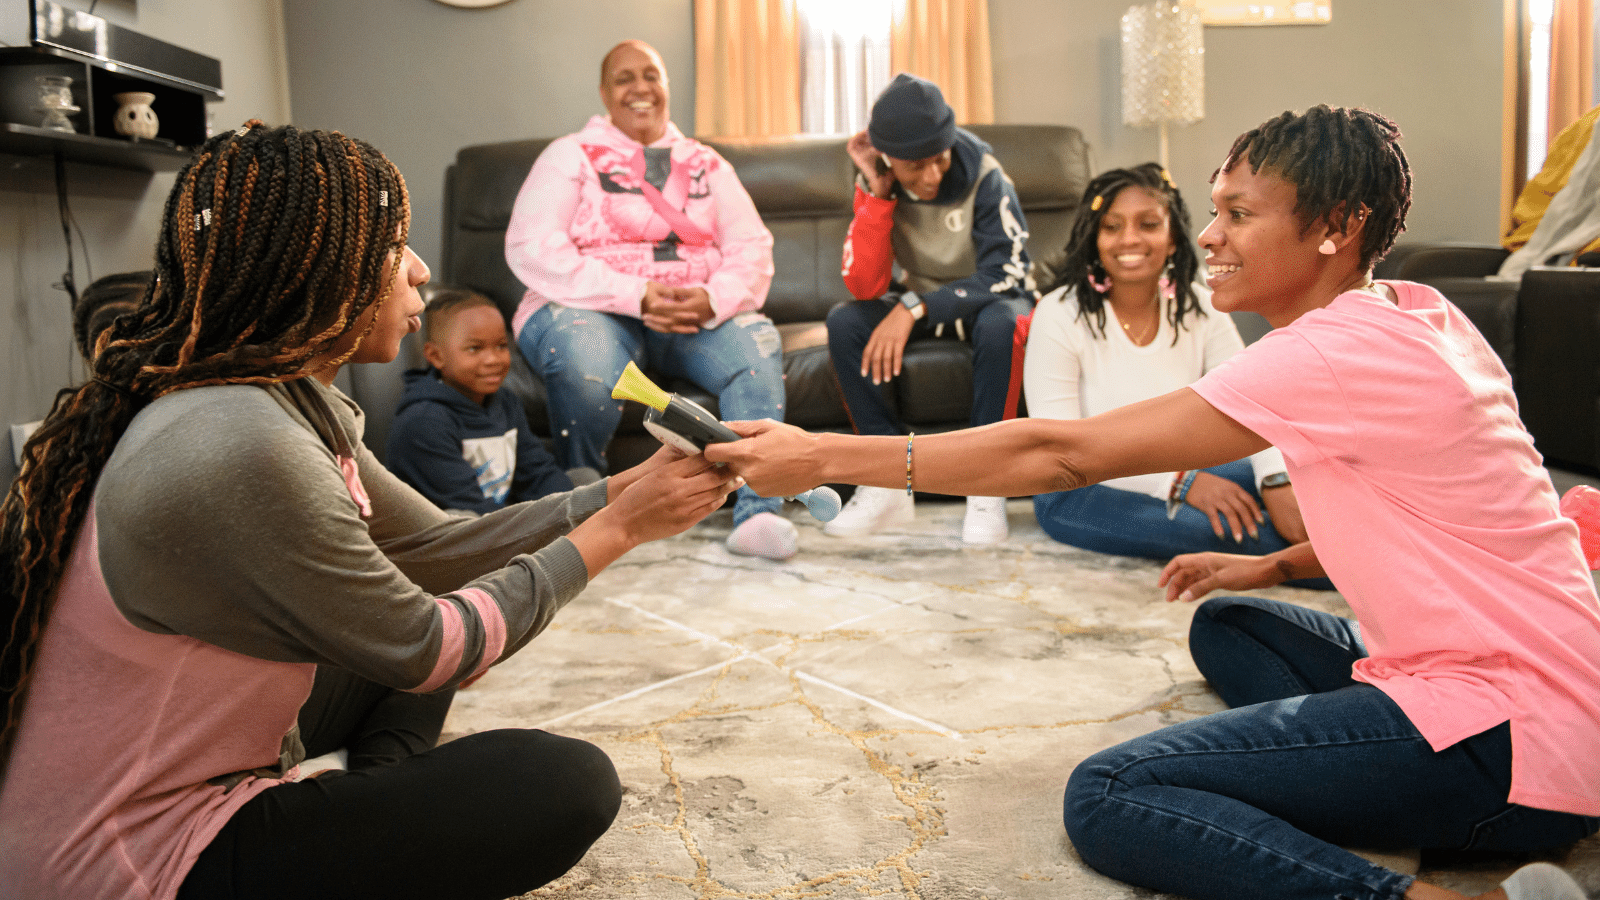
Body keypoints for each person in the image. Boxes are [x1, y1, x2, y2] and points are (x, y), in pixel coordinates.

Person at [705, 105, 1600, 900]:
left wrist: (821, 454)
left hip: (1513, 746)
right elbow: (1443, 512)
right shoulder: (1421, 312)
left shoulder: (1325, 351)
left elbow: (1061, 452)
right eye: (1214, 210)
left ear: (1336, 226)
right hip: (1555, 693)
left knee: (1113, 795)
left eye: (1239, 214)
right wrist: (1276, 562)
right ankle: (1353, 777)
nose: (1206, 235)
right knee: (1234, 624)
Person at [0, 122, 740, 900]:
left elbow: (438, 547)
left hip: (216, 760)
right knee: (563, 782)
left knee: (400, 630)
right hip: (129, 862)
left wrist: (616, 490)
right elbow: (434, 646)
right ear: (316, 270)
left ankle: (375, 813)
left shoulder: (285, 398)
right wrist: (619, 530)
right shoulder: (240, 442)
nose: (421, 270)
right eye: (394, 246)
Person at [505, 39, 797, 562]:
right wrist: (635, 294)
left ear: (665, 87)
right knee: (585, 357)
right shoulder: (569, 154)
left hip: (693, 314)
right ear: (603, 92)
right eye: (624, 78)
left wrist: (712, 298)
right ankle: (585, 511)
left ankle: (760, 513)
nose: (640, 88)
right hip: (591, 309)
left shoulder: (707, 164)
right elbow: (531, 245)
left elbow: (751, 246)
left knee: (755, 347)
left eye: (651, 76)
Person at [1024, 163, 1318, 571]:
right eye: (1111, 227)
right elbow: (1057, 450)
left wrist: (1275, 480)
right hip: (1079, 489)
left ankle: (1370, 544)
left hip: (1180, 463)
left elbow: (1254, 403)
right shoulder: (1059, 313)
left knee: (1314, 477)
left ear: (1174, 237)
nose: (1129, 239)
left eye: (1148, 224)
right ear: (1094, 238)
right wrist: (1181, 483)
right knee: (1230, 529)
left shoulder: (1200, 308)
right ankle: (1351, 569)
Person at [824, 72, 1035, 545]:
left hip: (987, 299)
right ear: (887, 159)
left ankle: (988, 486)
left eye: (938, 160)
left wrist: (915, 307)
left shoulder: (987, 175)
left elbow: (1008, 272)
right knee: (846, 323)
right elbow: (864, 286)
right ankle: (885, 484)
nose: (931, 176)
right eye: (914, 167)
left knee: (1005, 322)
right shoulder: (877, 183)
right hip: (922, 299)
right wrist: (878, 197)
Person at [387, 288, 583, 514]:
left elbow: (537, 472)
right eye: (475, 348)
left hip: (496, 521)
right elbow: (466, 507)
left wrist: (572, 509)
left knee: (583, 480)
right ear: (436, 357)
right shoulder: (424, 422)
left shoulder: (507, 403)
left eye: (501, 345)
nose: (493, 359)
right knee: (462, 517)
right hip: (448, 534)